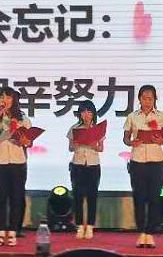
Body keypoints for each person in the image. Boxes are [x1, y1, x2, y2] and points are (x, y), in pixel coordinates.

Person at [123, 84, 163, 249]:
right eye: (144, 98)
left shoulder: (161, 116)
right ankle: (141, 232)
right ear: (139, 99)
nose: (147, 101)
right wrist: (132, 142)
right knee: (139, 197)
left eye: (150, 98)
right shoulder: (132, 116)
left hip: (157, 161)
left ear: (155, 99)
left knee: (154, 198)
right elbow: (126, 138)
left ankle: (150, 233)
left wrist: (161, 140)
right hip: (137, 161)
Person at [0, 87, 33, 246]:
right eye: (1, 97)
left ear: (14, 100)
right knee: (0, 198)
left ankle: (13, 232)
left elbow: (29, 142)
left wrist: (25, 141)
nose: (4, 100)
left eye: (7, 97)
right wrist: (0, 113)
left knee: (16, 198)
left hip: (18, 162)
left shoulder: (23, 119)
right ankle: (0, 232)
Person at [67, 100, 103, 240]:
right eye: (83, 112)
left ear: (93, 113)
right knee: (78, 196)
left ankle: (90, 226)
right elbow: (70, 148)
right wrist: (75, 144)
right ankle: (80, 226)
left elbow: (101, 148)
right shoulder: (74, 128)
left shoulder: (98, 129)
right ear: (80, 114)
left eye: (89, 111)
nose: (86, 114)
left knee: (92, 196)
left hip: (93, 165)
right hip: (78, 164)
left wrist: (94, 145)